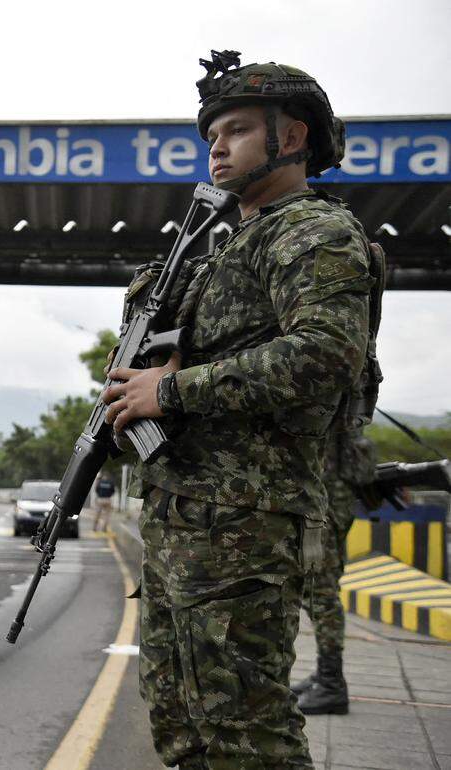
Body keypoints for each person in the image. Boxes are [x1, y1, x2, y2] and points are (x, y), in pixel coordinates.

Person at [101, 50, 376, 769]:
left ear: (292, 139)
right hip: (181, 518)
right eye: (211, 134)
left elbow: (325, 353)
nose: (217, 147)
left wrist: (171, 391)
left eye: (238, 129)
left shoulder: (312, 232)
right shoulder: (219, 247)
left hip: (243, 527)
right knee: (181, 720)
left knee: (247, 735)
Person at [293, 429, 377, 715]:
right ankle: (324, 676)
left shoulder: (336, 396)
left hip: (326, 504)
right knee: (319, 590)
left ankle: (331, 684)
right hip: (331, 499)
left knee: (321, 593)